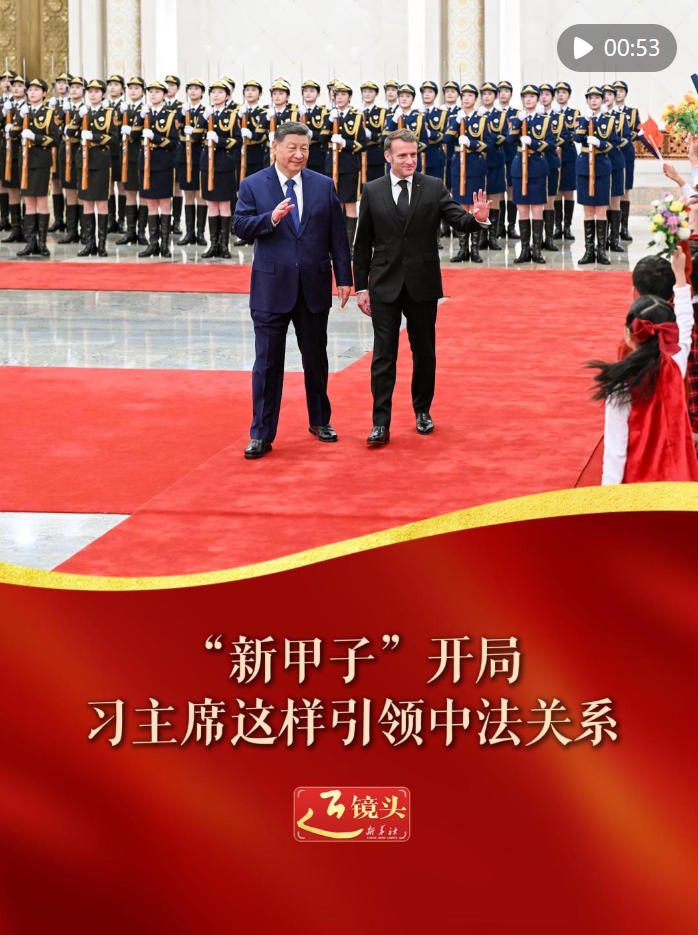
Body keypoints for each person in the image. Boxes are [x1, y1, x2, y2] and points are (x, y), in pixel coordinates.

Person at [353, 128, 491, 445]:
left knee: (424, 352)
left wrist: (478, 219)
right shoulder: (372, 190)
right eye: (402, 155)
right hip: (384, 284)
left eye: (413, 155)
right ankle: (380, 423)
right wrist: (362, 287)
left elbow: (458, 220)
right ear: (388, 156)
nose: (409, 160)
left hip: (422, 284)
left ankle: (422, 411)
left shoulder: (432, 186)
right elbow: (361, 244)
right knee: (383, 356)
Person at [233, 120, 352, 459]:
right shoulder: (253, 185)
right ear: (275, 147)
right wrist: (270, 219)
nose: (299, 154)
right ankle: (261, 433)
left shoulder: (323, 185)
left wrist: (344, 278)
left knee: (316, 358)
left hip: (313, 285)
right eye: (292, 148)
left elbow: (337, 236)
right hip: (271, 288)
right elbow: (240, 226)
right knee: (267, 363)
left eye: (304, 149)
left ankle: (320, 420)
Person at [589, 249, 698, 484]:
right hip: (678, 479)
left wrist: (608, 496)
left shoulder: (621, 385)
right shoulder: (676, 364)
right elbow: (685, 321)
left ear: (630, 335)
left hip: (639, 485)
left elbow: (615, 452)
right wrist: (680, 275)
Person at [68, 78, 118, 257]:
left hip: (101, 161)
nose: (93, 94)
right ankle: (89, 243)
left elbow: (115, 139)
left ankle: (102, 244)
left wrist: (94, 137)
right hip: (84, 161)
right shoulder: (83, 111)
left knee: (102, 202)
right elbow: (69, 132)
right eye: (90, 91)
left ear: (103, 94)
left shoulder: (110, 113)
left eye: (97, 91)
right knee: (87, 202)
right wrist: (77, 118)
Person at [505, 83, 554, 263]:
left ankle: (537, 250)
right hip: (520, 167)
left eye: (532, 96)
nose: (528, 99)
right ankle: (525, 250)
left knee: (537, 209)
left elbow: (550, 144)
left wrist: (532, 142)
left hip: (537, 167)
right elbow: (509, 139)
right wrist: (519, 122)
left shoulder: (545, 120)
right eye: (525, 96)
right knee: (523, 209)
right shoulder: (516, 119)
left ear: (538, 99)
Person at [13, 78, 60, 257]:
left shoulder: (49, 113)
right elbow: (13, 133)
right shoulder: (23, 111)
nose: (32, 93)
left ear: (44, 93)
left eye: (36, 90)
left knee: (40, 200)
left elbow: (55, 139)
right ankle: (30, 242)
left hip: (41, 162)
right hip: (25, 161)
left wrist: (35, 137)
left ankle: (42, 243)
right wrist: (19, 118)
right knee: (28, 201)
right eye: (30, 90)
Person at [445, 82, 490, 263]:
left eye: (470, 95)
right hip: (458, 165)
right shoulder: (454, 118)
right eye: (464, 96)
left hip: (475, 165)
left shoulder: (482, 119)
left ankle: (475, 249)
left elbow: (488, 143)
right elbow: (446, 138)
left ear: (475, 99)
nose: (466, 98)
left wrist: (472, 143)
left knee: (475, 207)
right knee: (461, 207)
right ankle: (463, 249)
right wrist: (456, 123)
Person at [132, 79, 178, 258]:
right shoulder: (144, 113)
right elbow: (134, 136)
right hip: (146, 164)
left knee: (164, 203)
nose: (153, 94)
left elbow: (173, 143)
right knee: (151, 203)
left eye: (157, 92)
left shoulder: (171, 115)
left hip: (163, 163)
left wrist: (155, 138)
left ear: (164, 95)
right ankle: (153, 244)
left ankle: (164, 244)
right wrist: (140, 118)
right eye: (150, 92)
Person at [197, 78, 241, 258]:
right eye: (213, 92)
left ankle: (224, 246)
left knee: (224, 205)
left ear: (227, 96)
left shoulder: (232, 116)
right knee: (211, 205)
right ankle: (213, 244)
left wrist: (220, 141)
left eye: (220, 92)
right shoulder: (205, 114)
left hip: (224, 164)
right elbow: (195, 137)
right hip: (207, 165)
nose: (216, 95)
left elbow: (237, 141)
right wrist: (202, 119)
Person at [575, 85, 618, 266]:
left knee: (600, 209)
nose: (593, 100)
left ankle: (601, 251)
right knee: (588, 210)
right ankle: (588, 250)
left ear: (602, 100)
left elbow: (614, 143)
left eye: (597, 97)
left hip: (601, 166)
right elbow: (577, 138)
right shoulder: (581, 119)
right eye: (590, 98)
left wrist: (600, 143)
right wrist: (585, 121)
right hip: (585, 166)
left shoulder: (609, 121)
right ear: (587, 100)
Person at [324, 81, 366, 248]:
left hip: (349, 166)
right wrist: (329, 121)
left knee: (349, 204)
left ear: (349, 97)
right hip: (331, 165)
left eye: (343, 94)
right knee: (334, 205)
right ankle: (335, 244)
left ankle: (348, 246)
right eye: (337, 95)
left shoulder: (356, 117)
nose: (340, 98)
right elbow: (321, 139)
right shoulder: (330, 115)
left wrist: (345, 143)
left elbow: (362, 144)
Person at [115, 75, 148, 246]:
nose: (133, 91)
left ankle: (141, 232)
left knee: (143, 194)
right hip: (126, 157)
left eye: (137, 88)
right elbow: (114, 131)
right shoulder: (122, 109)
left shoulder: (146, 109)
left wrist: (135, 130)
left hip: (141, 156)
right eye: (130, 88)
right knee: (129, 193)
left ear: (143, 91)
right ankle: (130, 231)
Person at [174, 77, 207, 246]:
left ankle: (200, 233)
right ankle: (189, 232)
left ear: (202, 93)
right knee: (187, 194)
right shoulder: (182, 110)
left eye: (196, 89)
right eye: (190, 89)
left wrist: (194, 132)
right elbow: (174, 129)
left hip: (199, 155)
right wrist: (181, 115)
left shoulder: (206, 111)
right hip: (184, 156)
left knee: (200, 194)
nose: (193, 91)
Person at [56, 75, 86, 245]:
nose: (74, 90)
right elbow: (54, 126)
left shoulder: (86, 109)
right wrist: (62, 112)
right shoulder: (63, 108)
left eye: (77, 87)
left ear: (83, 91)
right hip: (65, 149)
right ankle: (71, 230)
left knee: (80, 189)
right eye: (72, 87)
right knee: (69, 190)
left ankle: (85, 231)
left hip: (80, 149)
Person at [612, 80, 640, 242]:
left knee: (625, 190)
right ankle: (612, 228)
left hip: (626, 152)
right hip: (611, 153)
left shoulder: (632, 112)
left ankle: (624, 227)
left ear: (626, 93)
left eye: (621, 90)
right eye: (615, 90)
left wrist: (627, 136)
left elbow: (638, 130)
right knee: (612, 190)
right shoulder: (607, 112)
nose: (618, 93)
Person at [538, 82, 562, 251]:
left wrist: (551, 143)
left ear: (552, 98)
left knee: (550, 200)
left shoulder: (558, 117)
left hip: (551, 161)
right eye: (541, 94)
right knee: (537, 201)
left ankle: (549, 238)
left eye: (547, 94)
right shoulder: (529, 117)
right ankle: (538, 238)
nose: (543, 97)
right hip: (534, 164)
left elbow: (564, 136)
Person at [553, 81, 578, 240]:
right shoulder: (550, 113)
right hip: (553, 154)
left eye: (564, 92)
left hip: (568, 154)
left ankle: (567, 227)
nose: (561, 95)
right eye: (558, 92)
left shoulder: (575, 113)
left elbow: (576, 133)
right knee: (556, 191)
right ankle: (557, 226)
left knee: (568, 191)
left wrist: (563, 138)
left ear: (569, 95)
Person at [497, 79, 519, 239]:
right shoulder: (491, 113)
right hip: (497, 155)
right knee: (498, 191)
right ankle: (499, 226)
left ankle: (511, 226)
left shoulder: (516, 113)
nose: (503, 94)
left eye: (506, 91)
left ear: (511, 94)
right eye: (501, 91)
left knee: (511, 190)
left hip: (511, 155)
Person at [359, 80, 386, 183]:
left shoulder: (382, 112)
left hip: (376, 154)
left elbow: (385, 135)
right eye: (365, 91)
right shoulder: (356, 112)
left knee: (376, 184)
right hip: (359, 154)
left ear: (376, 94)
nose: (367, 94)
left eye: (370, 92)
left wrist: (371, 135)